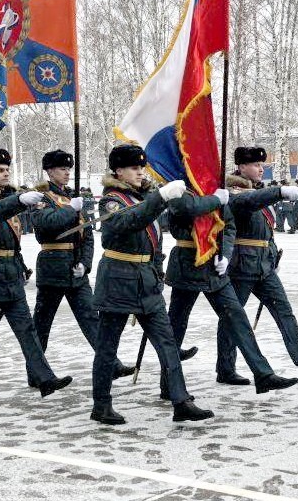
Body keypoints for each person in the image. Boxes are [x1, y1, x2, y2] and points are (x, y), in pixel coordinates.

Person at [90, 143, 213, 425]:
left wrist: (157, 273)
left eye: (141, 167)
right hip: (118, 279)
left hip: (146, 280)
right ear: (118, 171)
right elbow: (127, 223)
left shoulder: (142, 198)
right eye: (134, 168)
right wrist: (158, 198)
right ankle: (101, 404)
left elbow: (156, 242)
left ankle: (180, 400)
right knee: (108, 346)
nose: (140, 172)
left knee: (168, 342)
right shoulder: (112, 200)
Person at [163, 179, 298, 399]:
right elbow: (187, 209)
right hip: (187, 265)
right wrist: (216, 199)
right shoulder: (181, 191)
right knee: (176, 325)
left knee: (237, 318)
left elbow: (228, 226)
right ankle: (168, 383)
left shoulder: (215, 192)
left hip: (214, 268)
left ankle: (263, 374)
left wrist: (225, 254)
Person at [0, 148, 73, 404]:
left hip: (9, 273)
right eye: (0, 170)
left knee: (27, 329)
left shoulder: (6, 198)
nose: (6, 174)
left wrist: (21, 266)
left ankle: (44, 378)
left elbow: (12, 241)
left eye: (7, 170)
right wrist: (17, 201)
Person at [216, 147, 298, 384]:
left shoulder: (258, 191)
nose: (261, 169)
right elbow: (248, 203)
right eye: (255, 165)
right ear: (240, 167)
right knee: (233, 318)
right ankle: (226, 368)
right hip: (241, 264)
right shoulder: (233, 192)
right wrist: (278, 192)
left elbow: (266, 231)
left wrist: (272, 256)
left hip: (264, 265)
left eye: (263, 165)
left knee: (284, 312)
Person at [28, 150, 134, 386]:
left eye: (68, 169)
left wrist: (85, 264)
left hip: (75, 268)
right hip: (52, 265)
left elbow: (87, 235)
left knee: (91, 318)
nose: (67, 173)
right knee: (42, 324)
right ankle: (36, 372)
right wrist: (69, 209)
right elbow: (45, 224)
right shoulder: (41, 197)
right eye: (61, 169)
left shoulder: (72, 197)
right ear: (49, 171)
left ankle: (111, 364)